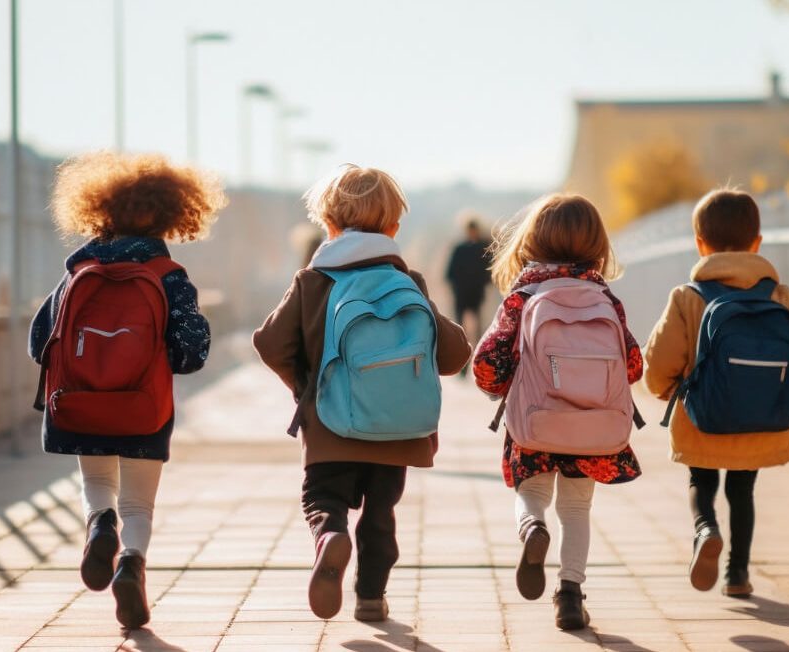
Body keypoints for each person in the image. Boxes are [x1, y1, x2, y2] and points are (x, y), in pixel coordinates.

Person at [253, 164, 471, 622]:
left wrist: (305, 388)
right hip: (398, 430)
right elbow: (454, 356)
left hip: (330, 426)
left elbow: (270, 344)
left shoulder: (311, 282)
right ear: (394, 227)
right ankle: (371, 597)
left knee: (323, 497)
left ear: (328, 224)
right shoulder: (408, 282)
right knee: (380, 512)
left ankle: (330, 535)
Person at [28, 152, 224, 628]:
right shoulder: (169, 277)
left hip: (79, 406)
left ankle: (99, 526)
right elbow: (191, 352)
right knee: (138, 503)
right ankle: (131, 563)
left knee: (98, 485)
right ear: (174, 214)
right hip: (143, 408)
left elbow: (40, 344)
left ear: (98, 210)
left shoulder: (77, 274)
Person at [643, 189, 789, 598]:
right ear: (757, 243)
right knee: (743, 491)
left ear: (700, 244)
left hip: (702, 418)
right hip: (761, 418)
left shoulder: (688, 298)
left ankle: (705, 529)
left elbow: (660, 362)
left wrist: (664, 391)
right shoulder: (779, 298)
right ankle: (737, 574)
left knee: (701, 480)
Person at [472, 194, 643, 630]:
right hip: (592, 426)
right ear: (597, 245)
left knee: (532, 495)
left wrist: (502, 387)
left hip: (536, 420)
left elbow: (486, 364)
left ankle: (532, 529)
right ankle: (569, 595)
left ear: (533, 241)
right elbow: (633, 365)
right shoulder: (605, 298)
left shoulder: (524, 296)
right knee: (577, 509)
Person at [446, 216, 493, 350]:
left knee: (477, 324)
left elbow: (490, 269)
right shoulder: (460, 248)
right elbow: (450, 272)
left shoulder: (483, 248)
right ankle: (462, 353)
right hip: (462, 293)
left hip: (475, 292)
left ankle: (478, 351)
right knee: (461, 326)